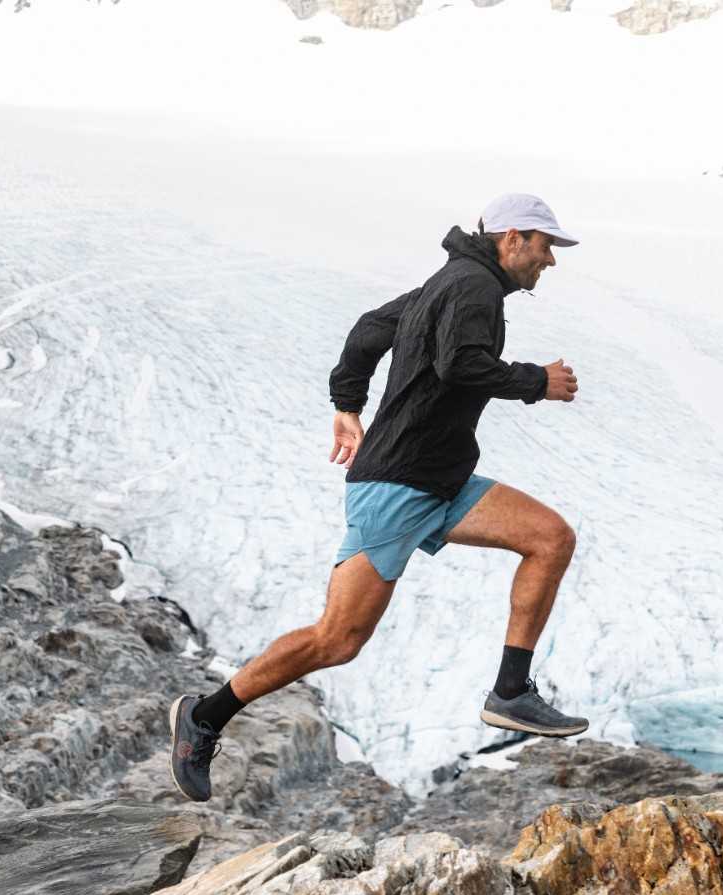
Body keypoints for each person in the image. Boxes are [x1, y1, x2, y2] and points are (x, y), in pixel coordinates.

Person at [168, 193, 588, 803]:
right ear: (513, 238)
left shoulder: (452, 284)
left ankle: (510, 691)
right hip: (398, 485)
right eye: (546, 246)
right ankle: (204, 716)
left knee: (550, 538)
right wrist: (535, 381)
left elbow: (370, 329)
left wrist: (347, 403)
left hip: (441, 479)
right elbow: (459, 365)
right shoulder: (471, 287)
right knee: (337, 639)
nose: (550, 260)